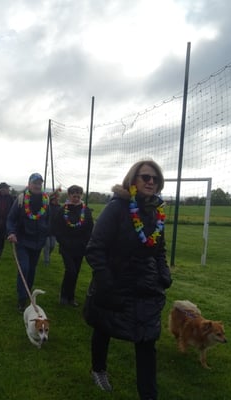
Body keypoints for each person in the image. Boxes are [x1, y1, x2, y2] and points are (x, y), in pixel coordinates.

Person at [83, 159, 172, 400]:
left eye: (155, 178)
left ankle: (148, 395)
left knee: (147, 340)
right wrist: (106, 280)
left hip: (147, 286)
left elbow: (159, 248)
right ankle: (98, 370)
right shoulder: (117, 208)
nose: (151, 182)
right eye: (146, 177)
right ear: (133, 179)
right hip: (115, 282)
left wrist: (164, 274)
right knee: (104, 326)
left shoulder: (156, 212)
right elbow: (95, 247)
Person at [7, 173, 51, 311]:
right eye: (35, 183)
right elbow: (11, 219)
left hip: (38, 242)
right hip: (22, 240)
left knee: (32, 270)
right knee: (24, 268)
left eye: (39, 183)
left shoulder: (46, 200)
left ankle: (27, 293)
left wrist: (47, 233)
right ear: (29, 184)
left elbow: (48, 220)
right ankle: (21, 299)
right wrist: (11, 232)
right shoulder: (21, 199)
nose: (37, 186)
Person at [52, 185, 93, 306]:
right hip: (66, 247)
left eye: (78, 196)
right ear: (69, 195)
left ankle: (71, 297)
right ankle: (64, 295)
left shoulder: (85, 210)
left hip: (80, 247)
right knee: (71, 271)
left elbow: (90, 228)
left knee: (76, 272)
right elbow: (56, 228)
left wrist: (85, 242)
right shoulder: (63, 210)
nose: (76, 198)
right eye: (74, 196)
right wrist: (62, 241)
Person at [43, 190, 61, 266]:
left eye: (58, 198)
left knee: (52, 245)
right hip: (46, 229)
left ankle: (48, 256)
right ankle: (46, 261)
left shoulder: (60, 208)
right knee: (47, 246)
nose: (57, 200)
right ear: (52, 199)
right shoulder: (47, 206)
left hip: (54, 230)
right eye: (56, 198)